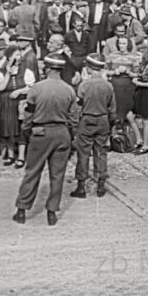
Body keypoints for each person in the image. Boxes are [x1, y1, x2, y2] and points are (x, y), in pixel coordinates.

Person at [13, 53, 78, 227]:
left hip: (40, 132)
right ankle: (51, 212)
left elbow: (28, 114)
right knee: (57, 175)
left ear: (48, 69)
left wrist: (26, 131)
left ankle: (22, 210)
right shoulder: (69, 90)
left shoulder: (36, 88)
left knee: (33, 171)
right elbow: (74, 118)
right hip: (62, 133)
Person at [70, 53, 116, 199]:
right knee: (101, 152)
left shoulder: (83, 85)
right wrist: (111, 123)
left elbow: (78, 106)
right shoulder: (108, 85)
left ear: (89, 68)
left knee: (83, 153)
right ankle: (101, 185)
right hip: (103, 120)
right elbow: (112, 109)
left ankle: (81, 187)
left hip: (87, 119)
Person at [104, 35, 143, 147]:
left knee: (128, 114)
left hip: (127, 88)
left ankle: (137, 139)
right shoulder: (111, 56)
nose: (122, 46)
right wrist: (114, 72)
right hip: (115, 86)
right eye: (120, 43)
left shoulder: (133, 57)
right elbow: (105, 71)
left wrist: (129, 73)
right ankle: (109, 140)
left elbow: (138, 74)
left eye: (124, 43)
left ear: (128, 45)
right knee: (113, 112)